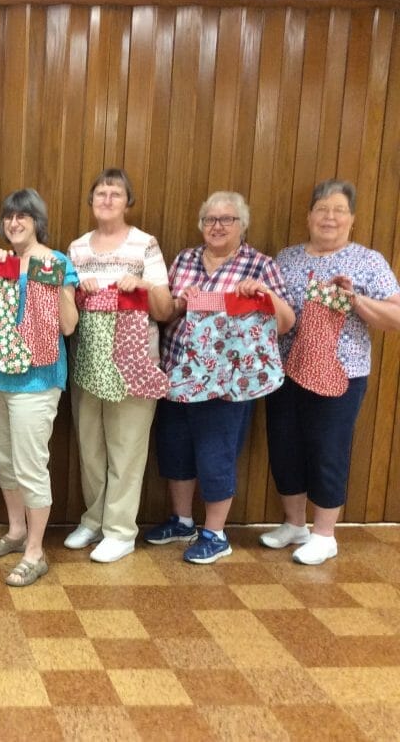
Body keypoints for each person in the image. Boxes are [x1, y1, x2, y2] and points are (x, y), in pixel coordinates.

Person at [149, 191, 294, 563]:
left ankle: (215, 533)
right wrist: (182, 302)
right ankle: (182, 521)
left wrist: (262, 295)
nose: (216, 226)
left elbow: (284, 323)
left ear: (241, 226)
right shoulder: (184, 260)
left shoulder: (259, 266)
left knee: (216, 453)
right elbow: (166, 314)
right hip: (178, 373)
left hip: (228, 385)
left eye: (226, 219)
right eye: (210, 220)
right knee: (175, 448)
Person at [263, 179, 400, 564]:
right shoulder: (286, 258)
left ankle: (324, 534)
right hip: (286, 368)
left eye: (339, 210)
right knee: (284, 444)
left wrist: (355, 299)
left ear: (352, 220)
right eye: (322, 209)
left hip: (341, 372)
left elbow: (395, 315)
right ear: (308, 216)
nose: (329, 217)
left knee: (328, 449)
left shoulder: (368, 261)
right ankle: (294, 523)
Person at [64, 169, 174, 563]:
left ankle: (121, 530)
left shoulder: (145, 245)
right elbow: (64, 310)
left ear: (128, 201)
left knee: (127, 447)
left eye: (116, 193)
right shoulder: (77, 249)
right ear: (91, 200)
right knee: (90, 447)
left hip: (134, 363)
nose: (107, 199)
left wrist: (142, 286)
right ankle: (94, 519)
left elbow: (165, 309)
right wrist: (77, 293)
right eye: (100, 193)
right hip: (89, 362)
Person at [0, 188, 79, 586]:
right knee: (5, 460)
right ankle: (16, 531)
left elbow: (68, 325)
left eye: (23, 216)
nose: (14, 223)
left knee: (30, 465)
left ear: (37, 222)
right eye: (9, 217)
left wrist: (51, 283)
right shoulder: (3, 262)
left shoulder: (57, 262)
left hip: (38, 379)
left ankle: (35, 552)